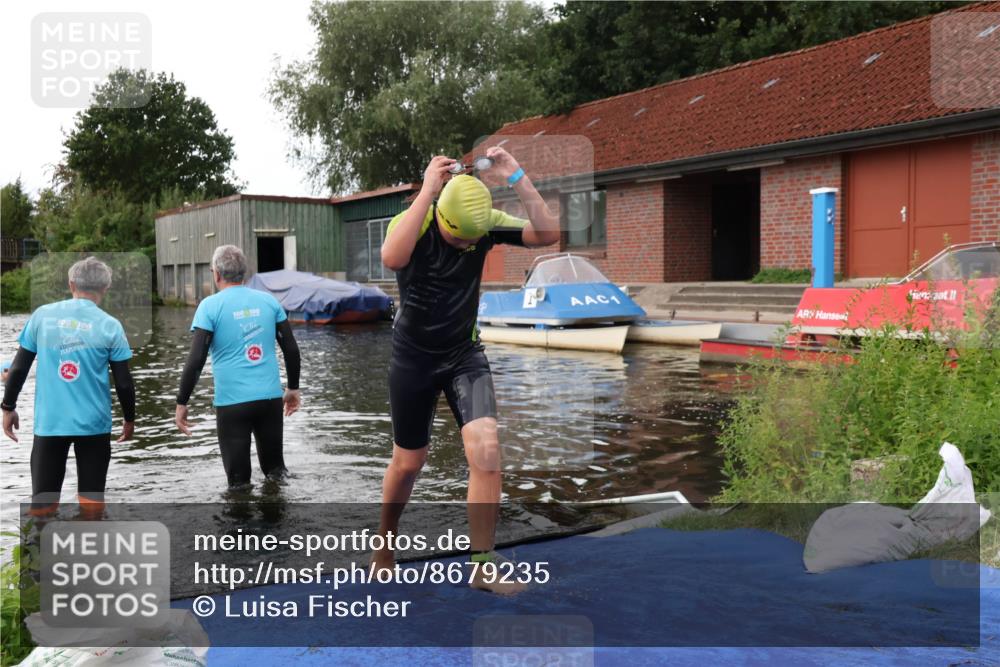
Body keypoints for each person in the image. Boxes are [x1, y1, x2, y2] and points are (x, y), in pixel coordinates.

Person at [374, 146, 559, 593]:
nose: (465, 247)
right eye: (459, 239)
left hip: (462, 354)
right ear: (442, 218)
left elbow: (547, 233)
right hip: (413, 357)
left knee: (487, 449)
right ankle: (384, 543)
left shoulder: (484, 225)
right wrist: (427, 190)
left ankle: (482, 566)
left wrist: (517, 176)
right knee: (408, 462)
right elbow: (391, 259)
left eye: (473, 242)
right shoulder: (415, 223)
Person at [2, 256, 135, 518]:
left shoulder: (42, 315)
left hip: (51, 424)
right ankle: (91, 551)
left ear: (71, 283)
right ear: (105, 288)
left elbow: (18, 368)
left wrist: (8, 407)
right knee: (92, 503)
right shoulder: (111, 325)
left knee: (42, 506)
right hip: (94, 425)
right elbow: (124, 382)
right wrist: (129, 419)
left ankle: (39, 554)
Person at [174, 245, 302, 488]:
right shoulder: (268, 302)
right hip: (269, 400)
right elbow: (292, 350)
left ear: (217, 274)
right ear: (245, 273)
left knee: (238, 483)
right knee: (276, 473)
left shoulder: (209, 307)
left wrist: (182, 402)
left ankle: (240, 525)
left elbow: (196, 360)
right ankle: (279, 522)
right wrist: (293, 389)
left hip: (232, 404)